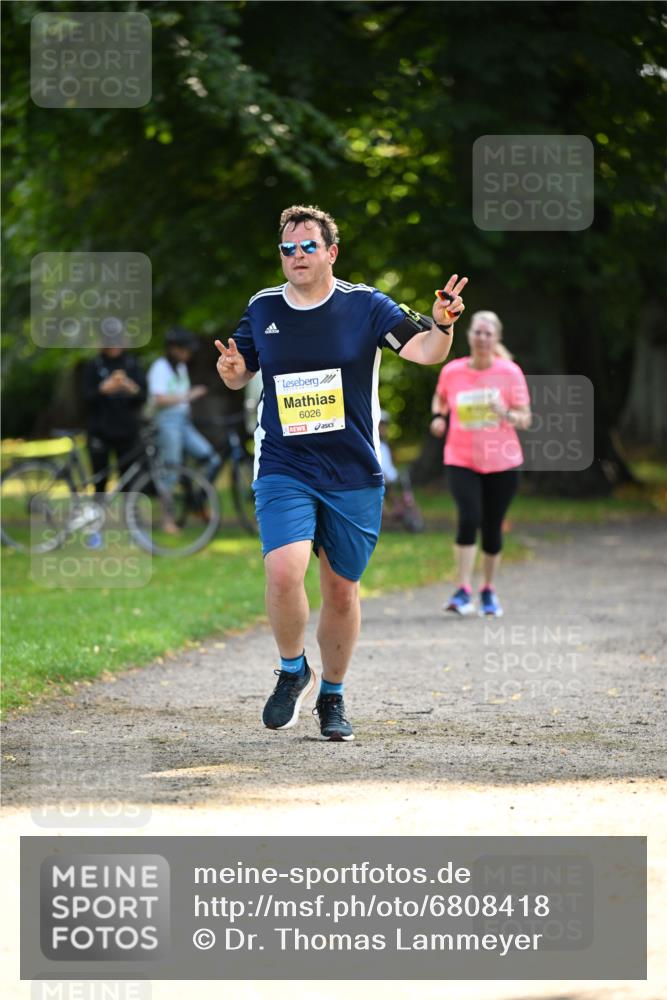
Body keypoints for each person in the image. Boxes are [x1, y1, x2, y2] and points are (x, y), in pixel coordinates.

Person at [216, 203, 467, 741]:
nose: (298, 255)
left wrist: (443, 325)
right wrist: (233, 372)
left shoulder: (366, 306)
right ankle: (291, 670)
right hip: (285, 463)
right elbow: (240, 371)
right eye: (288, 248)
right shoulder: (262, 308)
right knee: (284, 571)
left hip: (352, 470)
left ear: (332, 252)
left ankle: (332, 694)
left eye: (309, 246)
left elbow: (425, 351)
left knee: (341, 590)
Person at [430, 310, 531, 617]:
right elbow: (440, 398)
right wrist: (439, 416)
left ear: (496, 339)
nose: (482, 338)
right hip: (461, 458)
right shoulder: (453, 371)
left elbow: (525, 419)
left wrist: (504, 412)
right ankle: (463, 589)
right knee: (468, 517)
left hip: (502, 461)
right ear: (469, 335)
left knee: (491, 527)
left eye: (488, 333)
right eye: (477, 332)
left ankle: (488, 589)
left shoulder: (510, 372)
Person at [147, 327, 221, 533]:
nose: (188, 353)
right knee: (170, 469)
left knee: (210, 458)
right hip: (167, 422)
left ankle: (197, 500)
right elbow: (159, 398)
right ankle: (167, 519)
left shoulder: (180, 368)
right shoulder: (160, 368)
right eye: (185, 349)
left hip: (183, 422)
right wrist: (188, 396)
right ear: (173, 348)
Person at [82, 346, 147, 493]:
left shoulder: (131, 364)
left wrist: (131, 388)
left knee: (128, 481)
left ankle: (127, 515)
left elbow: (142, 396)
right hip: (100, 431)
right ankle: (99, 513)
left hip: (126, 431)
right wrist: (103, 389)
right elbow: (86, 398)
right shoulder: (94, 365)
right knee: (100, 481)